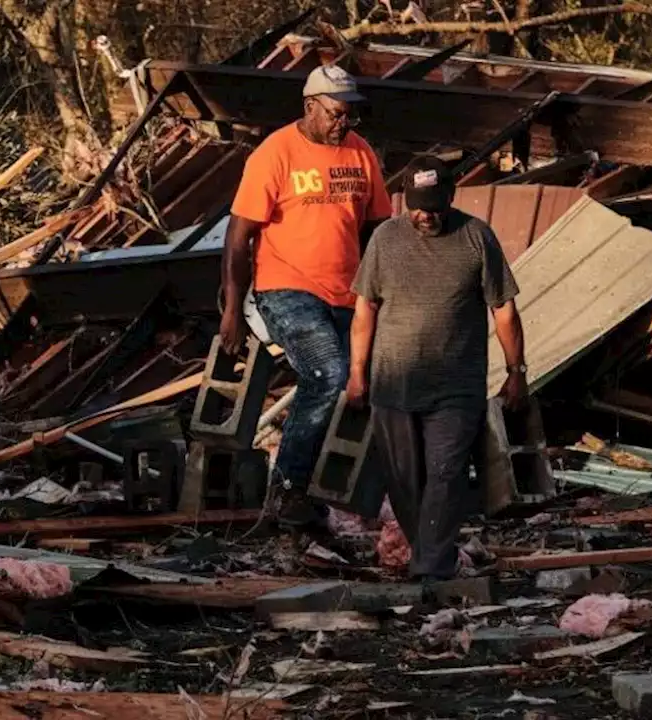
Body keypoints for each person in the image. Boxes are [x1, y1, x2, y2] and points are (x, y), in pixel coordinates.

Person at [219, 64, 393, 528]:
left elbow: (378, 228)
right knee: (328, 375)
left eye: (351, 115)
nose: (344, 123)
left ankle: (344, 491)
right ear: (310, 106)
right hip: (286, 287)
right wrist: (233, 309)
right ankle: (288, 491)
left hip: (347, 292)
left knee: (366, 384)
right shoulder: (275, 153)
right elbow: (238, 237)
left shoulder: (360, 154)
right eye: (337, 113)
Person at [346, 155, 527, 581]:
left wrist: (516, 371)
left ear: (451, 197)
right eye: (418, 206)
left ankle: (432, 569)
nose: (426, 216)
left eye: (435, 206)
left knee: (446, 474)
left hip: (456, 387)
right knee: (404, 481)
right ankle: (429, 556)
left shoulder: (476, 237)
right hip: (393, 384)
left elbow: (503, 308)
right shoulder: (385, 240)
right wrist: (357, 372)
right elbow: (364, 308)